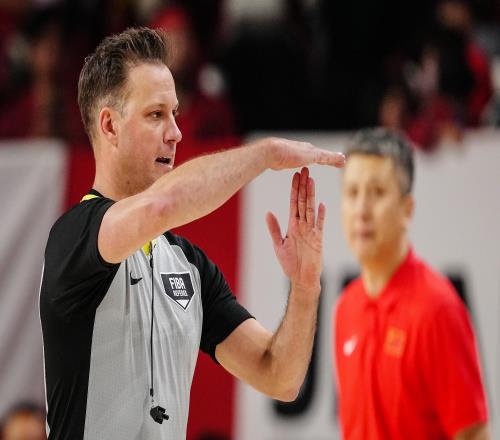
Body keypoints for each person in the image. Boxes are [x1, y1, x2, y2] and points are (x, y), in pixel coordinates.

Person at [39, 27, 345, 440]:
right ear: (109, 126)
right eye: (155, 115)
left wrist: (305, 289)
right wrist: (266, 154)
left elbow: (279, 377)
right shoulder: (75, 236)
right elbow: (162, 206)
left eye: (174, 113)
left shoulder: (189, 266)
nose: (175, 132)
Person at [334, 128, 489, 439]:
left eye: (377, 192)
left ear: (407, 210)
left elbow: (473, 433)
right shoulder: (346, 307)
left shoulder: (437, 309)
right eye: (352, 193)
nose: (361, 210)